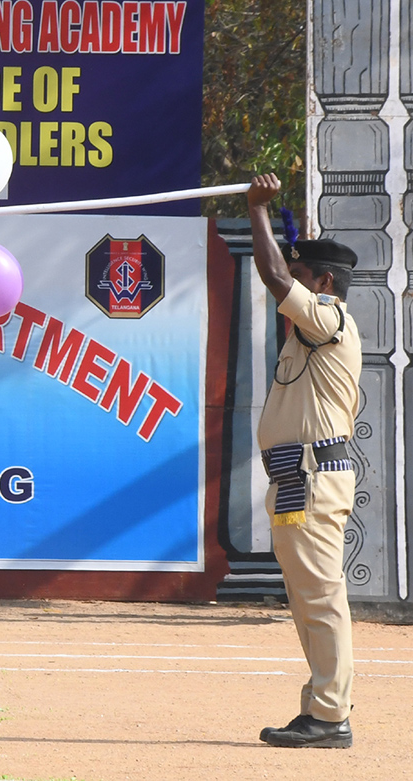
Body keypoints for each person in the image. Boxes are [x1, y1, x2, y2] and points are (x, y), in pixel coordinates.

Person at [247, 173, 360, 749]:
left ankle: (332, 716)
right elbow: (280, 274)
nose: (289, 287)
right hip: (296, 479)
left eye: (301, 278)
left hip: (314, 478)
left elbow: (269, 273)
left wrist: (258, 212)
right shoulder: (306, 336)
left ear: (326, 284)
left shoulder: (331, 321)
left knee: (321, 598)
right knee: (306, 600)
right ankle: (320, 706)